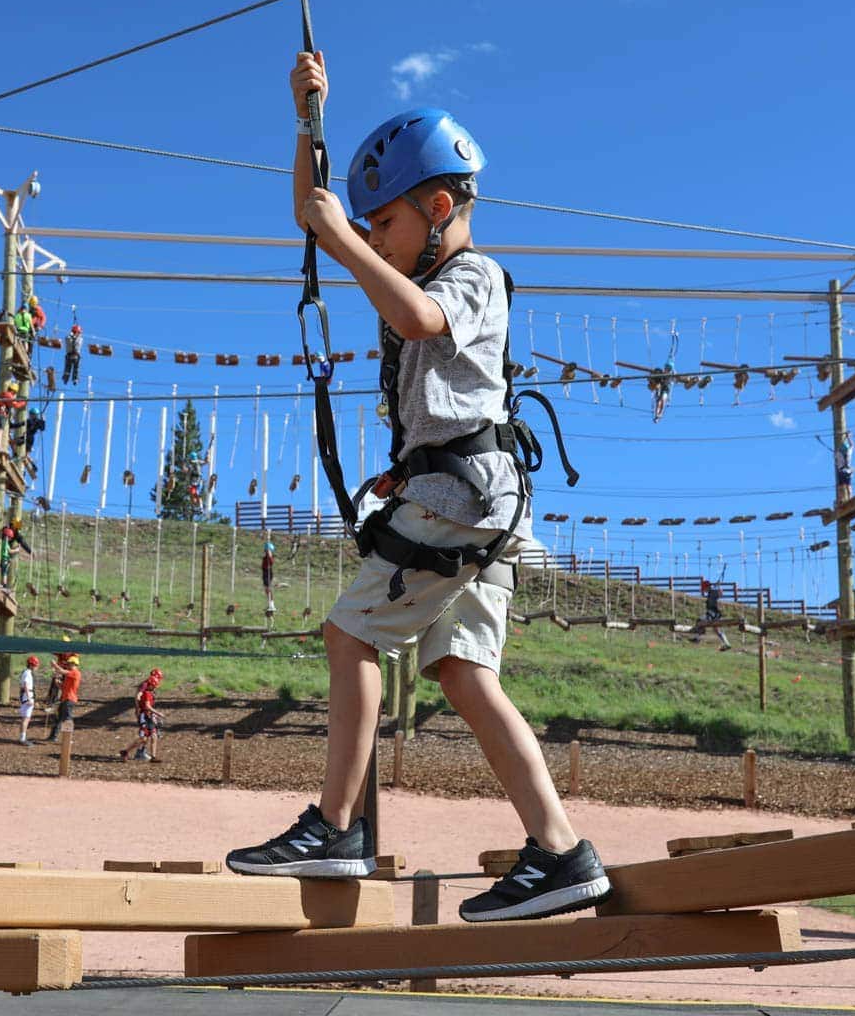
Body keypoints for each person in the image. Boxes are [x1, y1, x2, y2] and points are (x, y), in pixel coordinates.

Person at [226, 54, 610, 925]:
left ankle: (335, 828)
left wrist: (341, 236)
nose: (376, 236)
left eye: (387, 221)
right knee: (460, 671)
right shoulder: (417, 269)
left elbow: (413, 317)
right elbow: (310, 215)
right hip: (466, 491)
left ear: (440, 209)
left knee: (348, 634)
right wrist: (305, 118)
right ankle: (560, 851)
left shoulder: (470, 277)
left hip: (465, 499)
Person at [120, 668, 163, 762]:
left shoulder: (149, 690)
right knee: (144, 738)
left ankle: (153, 757)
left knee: (154, 736)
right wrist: (139, 708)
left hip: (149, 715)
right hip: (145, 715)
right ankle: (127, 751)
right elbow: (145, 703)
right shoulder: (146, 690)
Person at [46, 654, 81, 742]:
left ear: (74, 664)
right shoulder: (70, 675)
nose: (68, 666)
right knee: (59, 718)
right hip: (65, 699)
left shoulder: (75, 673)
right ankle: (53, 737)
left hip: (70, 699)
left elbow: (62, 671)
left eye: (69, 664)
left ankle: (68, 739)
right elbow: (64, 688)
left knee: (67, 719)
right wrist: (57, 682)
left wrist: (54, 665)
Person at [694, 577, 732, 650]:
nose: (704, 591)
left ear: (707, 587)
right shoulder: (711, 592)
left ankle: (698, 638)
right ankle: (727, 643)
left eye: (704, 589)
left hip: (712, 613)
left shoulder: (713, 592)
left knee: (699, 621)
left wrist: (718, 587)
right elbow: (719, 594)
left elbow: (720, 594)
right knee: (717, 630)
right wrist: (717, 587)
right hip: (715, 614)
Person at [17, 656, 40, 745]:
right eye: (36, 665)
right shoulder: (27, 673)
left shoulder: (27, 672)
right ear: (32, 665)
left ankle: (22, 737)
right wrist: (29, 698)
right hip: (27, 697)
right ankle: (22, 739)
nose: (36, 667)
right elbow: (26, 685)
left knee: (25, 718)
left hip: (27, 696)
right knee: (26, 719)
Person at [261, 541, 277, 614]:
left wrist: (269, 553)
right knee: (267, 589)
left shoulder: (269, 556)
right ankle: (270, 604)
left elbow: (271, 562)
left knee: (268, 589)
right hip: (265, 572)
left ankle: (272, 605)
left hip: (267, 572)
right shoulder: (266, 556)